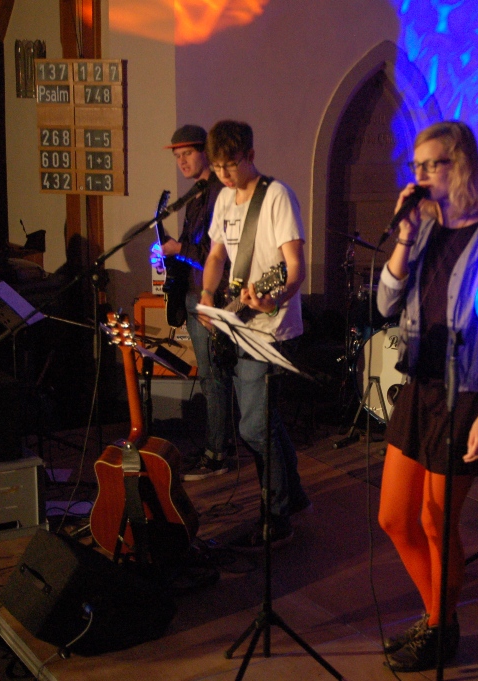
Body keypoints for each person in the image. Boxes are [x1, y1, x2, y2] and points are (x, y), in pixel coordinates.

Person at [376, 121, 478, 671]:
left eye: (428, 165)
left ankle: (440, 628)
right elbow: (385, 304)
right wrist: (404, 236)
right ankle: (438, 617)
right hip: (420, 386)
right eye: (414, 166)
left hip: (467, 395)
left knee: (437, 522)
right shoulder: (423, 233)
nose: (418, 176)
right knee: (394, 517)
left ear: (458, 166)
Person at [198, 120, 310, 549]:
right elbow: (216, 255)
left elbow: (295, 267)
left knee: (253, 428)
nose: (224, 174)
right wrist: (207, 294)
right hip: (238, 321)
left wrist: (273, 298)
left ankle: (276, 515)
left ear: (250, 155)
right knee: (263, 419)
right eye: (217, 167)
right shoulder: (224, 198)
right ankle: (292, 495)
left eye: (231, 165)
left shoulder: (277, 196)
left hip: (272, 328)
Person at [153, 124, 233, 481]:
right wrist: (167, 255)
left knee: (214, 377)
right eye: (177, 157)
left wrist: (178, 249)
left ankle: (218, 454)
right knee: (210, 377)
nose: (182, 162)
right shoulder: (198, 193)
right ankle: (215, 446)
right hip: (193, 294)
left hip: (209, 297)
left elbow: (218, 256)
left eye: (187, 154)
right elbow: (193, 248)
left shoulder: (218, 194)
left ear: (205, 152)